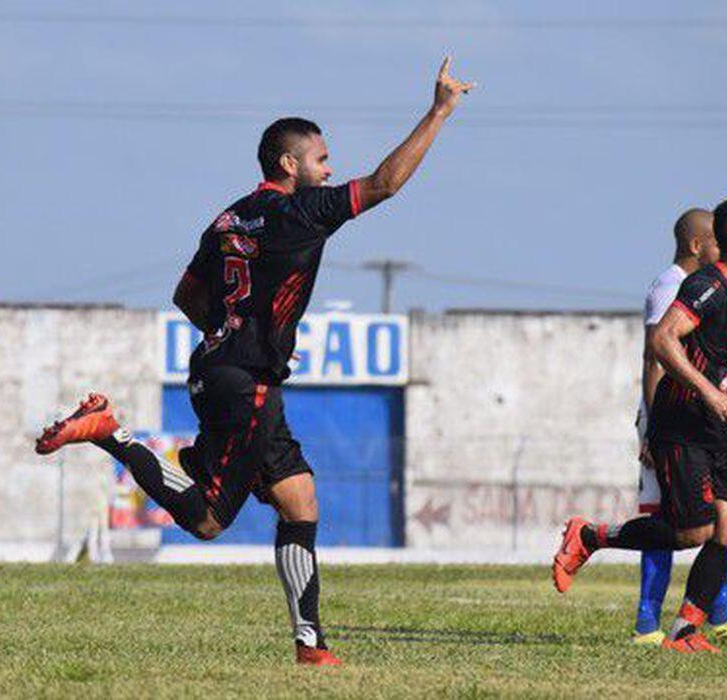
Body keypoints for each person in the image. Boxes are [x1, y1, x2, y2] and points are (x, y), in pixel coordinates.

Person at [35, 58, 475, 666]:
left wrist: (232, 334)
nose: (330, 169)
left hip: (226, 372)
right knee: (210, 520)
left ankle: (310, 644)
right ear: (290, 165)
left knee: (299, 500)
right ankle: (112, 433)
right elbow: (384, 184)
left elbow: (186, 295)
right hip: (248, 386)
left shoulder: (226, 219)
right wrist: (439, 111)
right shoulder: (301, 211)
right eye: (322, 159)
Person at [553, 196, 727, 653]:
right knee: (694, 531)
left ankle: (684, 630)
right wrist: (705, 393)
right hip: (680, 420)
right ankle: (590, 535)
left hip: (715, 425)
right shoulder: (706, 286)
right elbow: (662, 340)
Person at [631, 209, 727, 646]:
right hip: (673, 418)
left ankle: (715, 617)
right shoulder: (676, 286)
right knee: (681, 525)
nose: (723, 249)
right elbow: (656, 357)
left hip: (707, 419)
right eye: (716, 241)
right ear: (698, 245)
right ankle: (647, 624)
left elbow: (721, 364)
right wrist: (651, 429)